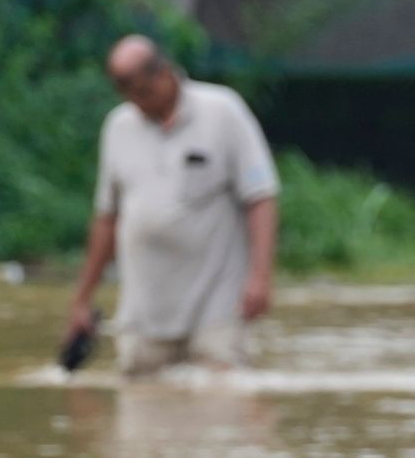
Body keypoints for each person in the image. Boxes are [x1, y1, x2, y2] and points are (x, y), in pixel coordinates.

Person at [66, 35, 281, 375]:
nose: (139, 103)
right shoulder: (118, 127)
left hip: (217, 306)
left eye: (143, 92)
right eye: (128, 95)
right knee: (140, 413)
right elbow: (107, 218)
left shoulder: (223, 111)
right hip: (144, 312)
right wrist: (83, 298)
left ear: (164, 73)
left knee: (223, 413)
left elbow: (261, 196)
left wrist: (260, 276)